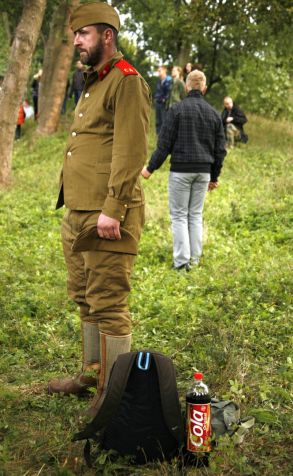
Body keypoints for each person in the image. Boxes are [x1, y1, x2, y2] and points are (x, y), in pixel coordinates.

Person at [48, 2, 151, 417]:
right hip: (78, 210)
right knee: (85, 299)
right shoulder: (93, 82)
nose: (76, 41)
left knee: (109, 303)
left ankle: (114, 394)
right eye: (75, 35)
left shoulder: (126, 82)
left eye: (84, 34)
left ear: (107, 35)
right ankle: (92, 375)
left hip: (108, 214)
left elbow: (131, 151)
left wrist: (114, 208)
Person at [141, 70, 226, 271]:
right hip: (203, 172)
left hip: (180, 171)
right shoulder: (214, 114)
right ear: (204, 88)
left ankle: (181, 263)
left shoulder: (176, 110)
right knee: (195, 215)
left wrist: (149, 168)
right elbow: (220, 150)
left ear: (187, 87)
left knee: (179, 216)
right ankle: (194, 262)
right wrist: (214, 176)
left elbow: (164, 145)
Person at [154, 65, 172, 135]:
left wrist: (165, 99)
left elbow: (169, 92)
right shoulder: (159, 81)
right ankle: (158, 135)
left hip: (164, 103)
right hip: (158, 102)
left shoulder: (169, 80)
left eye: (160, 71)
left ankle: (164, 135)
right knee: (158, 120)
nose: (159, 72)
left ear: (165, 70)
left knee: (164, 119)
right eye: (158, 71)